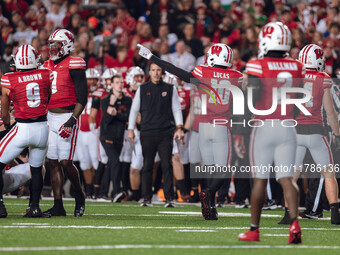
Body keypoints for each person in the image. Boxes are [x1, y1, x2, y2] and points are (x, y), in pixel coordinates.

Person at [136, 43, 243, 218]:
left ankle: (211, 207)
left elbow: (176, 71)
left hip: (203, 128)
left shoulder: (203, 72)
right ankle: (209, 194)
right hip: (222, 127)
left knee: (209, 169)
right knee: (223, 170)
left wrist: (152, 57)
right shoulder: (235, 76)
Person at [237, 22, 303, 244]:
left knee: (259, 181)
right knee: (286, 179)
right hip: (287, 126)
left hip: (264, 126)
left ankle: (254, 230)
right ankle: (295, 225)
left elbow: (252, 100)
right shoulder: (296, 66)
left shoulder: (257, 65)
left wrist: (241, 128)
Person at [278, 44, 340, 225]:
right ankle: (335, 213)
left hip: (295, 131)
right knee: (328, 173)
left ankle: (289, 213)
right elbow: (330, 111)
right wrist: (337, 132)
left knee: (292, 175)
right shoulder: (323, 78)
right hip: (316, 131)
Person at [0, 45, 52, 218]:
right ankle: (34, 208)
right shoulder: (46, 74)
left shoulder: (9, 79)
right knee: (36, 169)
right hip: (42, 128)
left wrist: (7, 124)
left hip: (22, 128)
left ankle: (0, 206)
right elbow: (48, 96)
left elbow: (5, 111)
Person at [43, 29, 87, 217]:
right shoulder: (46, 65)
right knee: (52, 161)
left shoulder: (74, 63)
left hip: (68, 116)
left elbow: (82, 98)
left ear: (66, 45)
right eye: (51, 44)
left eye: (56, 45)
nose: (52, 48)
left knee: (66, 161)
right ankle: (58, 205)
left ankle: (79, 194)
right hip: (49, 117)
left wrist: (71, 121)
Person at [128, 62, 184, 208]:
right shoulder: (142, 89)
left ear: (162, 72)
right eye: (153, 70)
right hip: (147, 133)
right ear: (150, 72)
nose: (156, 73)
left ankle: (169, 198)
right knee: (147, 166)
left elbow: (177, 109)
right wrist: (130, 129)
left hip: (166, 133)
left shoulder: (170, 89)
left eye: (158, 70)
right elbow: (134, 110)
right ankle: (146, 198)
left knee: (167, 165)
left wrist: (179, 127)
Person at [100, 74, 132, 202]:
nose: (120, 84)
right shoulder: (105, 100)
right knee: (115, 162)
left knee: (111, 163)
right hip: (107, 136)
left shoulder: (128, 100)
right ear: (111, 84)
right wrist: (112, 103)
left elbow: (128, 117)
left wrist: (115, 113)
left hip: (119, 136)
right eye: (117, 82)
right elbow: (107, 120)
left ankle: (102, 193)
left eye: (121, 82)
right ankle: (117, 192)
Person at [77, 68, 101, 198]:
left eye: (94, 79)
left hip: (94, 132)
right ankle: (89, 190)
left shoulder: (100, 94)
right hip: (80, 132)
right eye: (89, 79)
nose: (91, 82)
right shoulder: (79, 93)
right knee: (84, 163)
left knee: (96, 162)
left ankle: (98, 190)